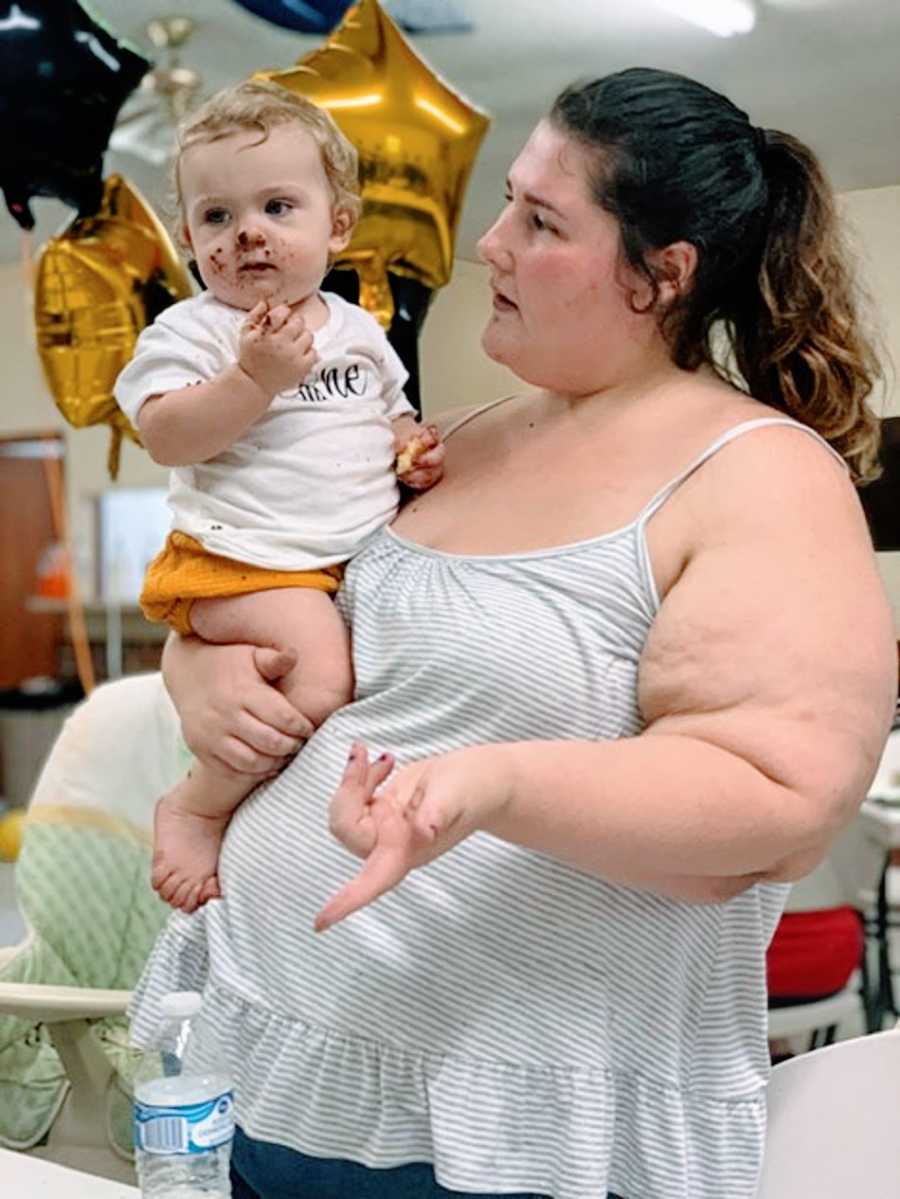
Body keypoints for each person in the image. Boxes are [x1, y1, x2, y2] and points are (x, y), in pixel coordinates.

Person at [129, 67, 897, 1199]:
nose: (487, 242)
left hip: (507, 1131)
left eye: (540, 220)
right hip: (272, 1066)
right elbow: (295, 582)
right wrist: (195, 660)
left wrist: (483, 787)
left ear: (661, 274)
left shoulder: (758, 474)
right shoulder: (453, 440)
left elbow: (776, 803)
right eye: (507, 203)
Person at [114, 81, 444, 914]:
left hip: (334, 563)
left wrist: (411, 446)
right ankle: (200, 802)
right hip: (242, 563)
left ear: (336, 224)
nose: (247, 231)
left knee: (337, 670)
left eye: (277, 206)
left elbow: (392, 411)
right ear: (189, 239)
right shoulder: (192, 333)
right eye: (218, 217)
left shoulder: (359, 329)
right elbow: (167, 436)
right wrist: (250, 381)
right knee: (324, 678)